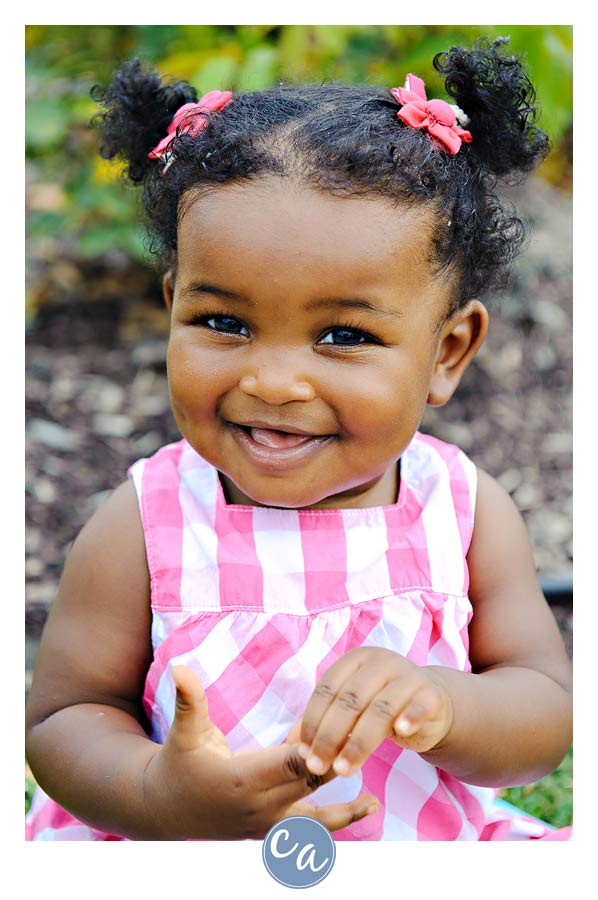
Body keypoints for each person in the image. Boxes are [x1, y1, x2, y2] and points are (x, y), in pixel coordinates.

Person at [25, 37, 572, 841]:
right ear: (173, 304)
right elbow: (65, 716)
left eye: (343, 336)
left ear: (447, 352)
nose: (274, 381)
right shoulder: (148, 521)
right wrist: (156, 791)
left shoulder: (459, 512)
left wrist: (447, 703)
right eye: (223, 322)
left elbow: (544, 709)